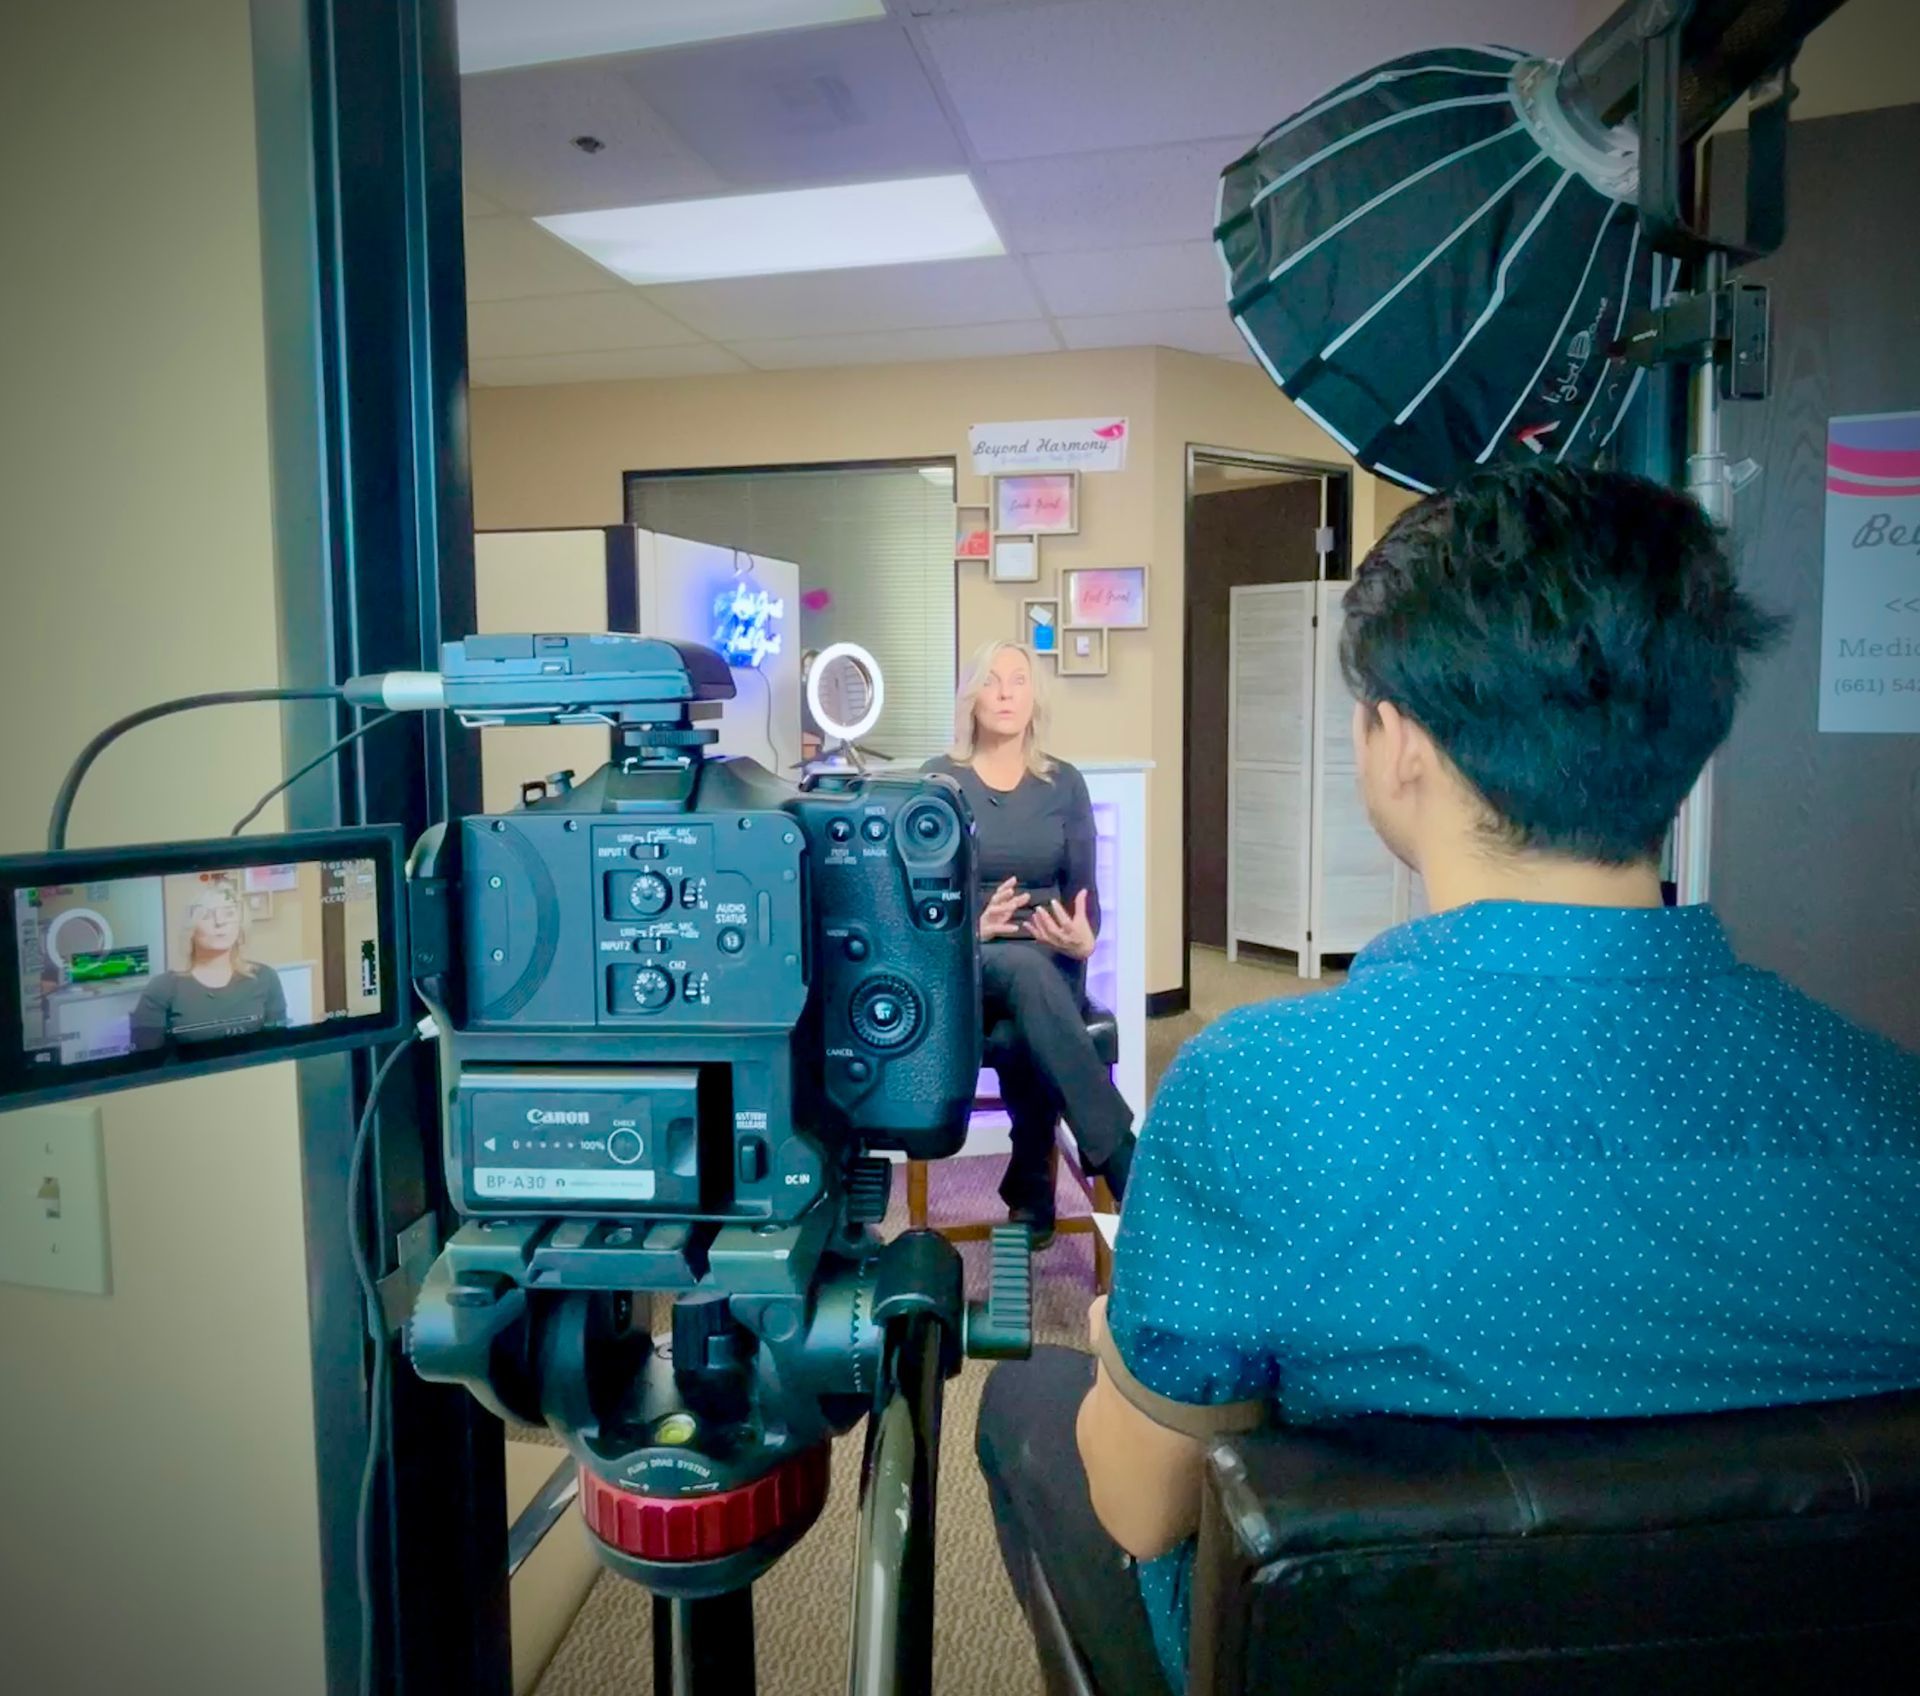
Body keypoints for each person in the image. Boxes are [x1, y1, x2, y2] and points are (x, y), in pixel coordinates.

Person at [975, 464, 1920, 1696]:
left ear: (1399, 742)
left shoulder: (1251, 1094)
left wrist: (1113, 1339)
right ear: (1691, 740)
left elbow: (1143, 1509)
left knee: (1029, 1405)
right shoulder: (1895, 1109)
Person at [925, 639, 1136, 1243]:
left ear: (1033, 696)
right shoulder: (938, 783)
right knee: (1019, 970)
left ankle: (1029, 1184)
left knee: (1026, 1017)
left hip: (1050, 960)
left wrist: (1081, 940)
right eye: (992, 681)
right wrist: (971, 925)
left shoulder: (1063, 783)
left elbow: (1083, 897)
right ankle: (1122, 1157)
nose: (1006, 692)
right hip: (966, 964)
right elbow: (914, 901)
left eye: (1018, 680)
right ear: (972, 697)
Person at [130, 877, 287, 1050]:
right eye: (207, 915)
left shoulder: (265, 977)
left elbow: (278, 1047)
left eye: (229, 914)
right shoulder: (163, 987)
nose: (220, 923)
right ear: (191, 928)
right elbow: (146, 1062)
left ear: (240, 925)